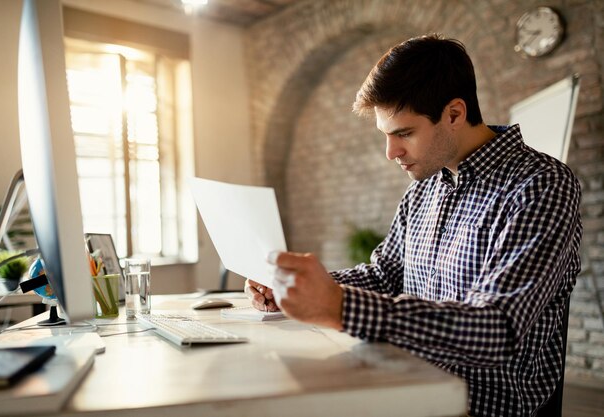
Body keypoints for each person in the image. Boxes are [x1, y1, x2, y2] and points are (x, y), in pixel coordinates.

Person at [244, 34, 582, 417]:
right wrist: (300, 289)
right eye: (386, 136)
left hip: (479, 406)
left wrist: (340, 306)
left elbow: (496, 329)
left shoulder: (540, 184)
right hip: (404, 382)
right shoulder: (422, 191)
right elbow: (385, 274)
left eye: (403, 133)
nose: (391, 153)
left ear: (454, 113)